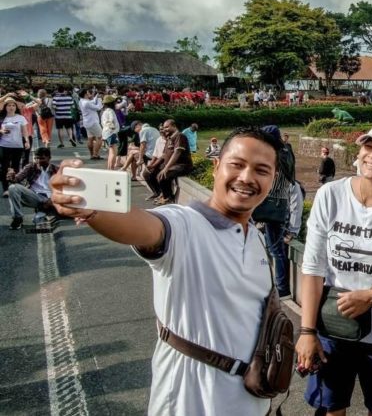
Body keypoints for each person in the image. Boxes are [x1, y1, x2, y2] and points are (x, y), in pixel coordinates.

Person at [48, 126, 283, 415]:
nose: (247, 178)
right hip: (190, 403)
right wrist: (91, 209)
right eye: (237, 165)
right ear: (216, 167)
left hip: (251, 400)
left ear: (272, 181)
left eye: (261, 170)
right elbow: (145, 227)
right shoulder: (184, 223)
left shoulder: (257, 239)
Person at [296, 122, 372, 416]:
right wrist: (307, 331)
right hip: (334, 329)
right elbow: (313, 267)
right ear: (358, 151)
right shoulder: (330, 195)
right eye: (368, 146)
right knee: (332, 407)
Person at [252, 125, 295, 298]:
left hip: (272, 205)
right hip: (280, 204)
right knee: (275, 247)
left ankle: (282, 289)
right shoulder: (286, 151)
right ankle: (280, 286)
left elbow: (271, 179)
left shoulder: (275, 155)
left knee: (276, 250)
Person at [7, 147, 58, 229]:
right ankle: (17, 218)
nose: (38, 161)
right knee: (13, 188)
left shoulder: (56, 170)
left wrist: (52, 200)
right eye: (36, 158)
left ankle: (43, 212)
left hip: (49, 199)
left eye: (41, 158)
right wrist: (12, 177)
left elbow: (63, 190)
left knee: (39, 221)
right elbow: (18, 178)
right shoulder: (31, 167)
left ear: (49, 158)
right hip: (34, 196)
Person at [144, 120, 192, 205]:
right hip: (170, 165)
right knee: (149, 173)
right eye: (164, 127)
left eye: (167, 127)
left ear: (173, 126)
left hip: (181, 165)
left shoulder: (179, 136)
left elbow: (177, 153)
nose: (164, 129)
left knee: (162, 175)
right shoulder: (169, 138)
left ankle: (168, 198)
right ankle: (159, 193)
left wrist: (166, 168)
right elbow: (163, 155)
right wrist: (153, 165)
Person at [0, 98, 30, 195]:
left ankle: (13, 188)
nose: (11, 107)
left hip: (17, 145)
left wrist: (27, 141)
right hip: (4, 145)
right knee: (4, 167)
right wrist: (1, 131)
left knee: (15, 167)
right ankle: (5, 189)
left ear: (16, 107)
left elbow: (25, 131)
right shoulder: (2, 118)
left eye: (13, 105)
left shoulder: (20, 118)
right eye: (9, 105)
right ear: (5, 107)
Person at [78, 89, 103, 160]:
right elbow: (98, 107)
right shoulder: (86, 103)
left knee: (90, 138)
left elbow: (91, 102)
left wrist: (96, 97)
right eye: (88, 92)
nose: (90, 93)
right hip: (93, 122)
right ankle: (95, 154)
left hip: (87, 122)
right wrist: (99, 99)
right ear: (85, 94)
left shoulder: (81, 101)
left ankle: (92, 155)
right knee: (100, 137)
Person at [101, 95, 120, 170]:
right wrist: (113, 128)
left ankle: (109, 169)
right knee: (114, 152)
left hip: (106, 133)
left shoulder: (104, 111)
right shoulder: (111, 111)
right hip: (111, 133)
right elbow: (111, 120)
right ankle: (111, 169)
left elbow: (103, 123)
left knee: (110, 152)